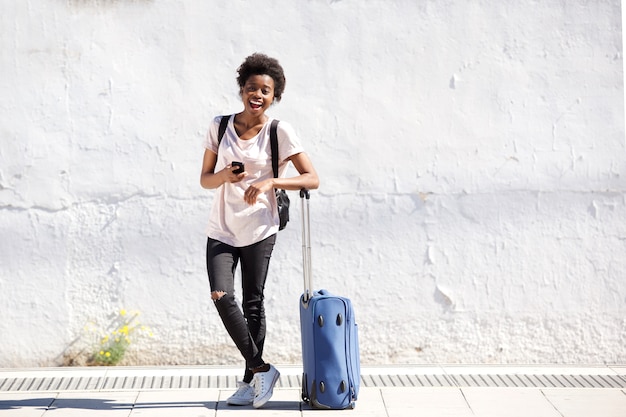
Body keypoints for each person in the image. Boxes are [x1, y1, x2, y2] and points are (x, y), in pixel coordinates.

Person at [200, 53, 320, 409]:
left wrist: (271, 181)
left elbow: (312, 177)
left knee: (254, 302)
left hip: (260, 228)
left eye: (265, 90)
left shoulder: (279, 130)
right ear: (241, 89)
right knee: (221, 294)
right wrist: (225, 176)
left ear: (274, 96)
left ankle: (251, 382)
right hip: (222, 227)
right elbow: (205, 180)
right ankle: (262, 368)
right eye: (251, 87)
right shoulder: (219, 126)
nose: (257, 94)